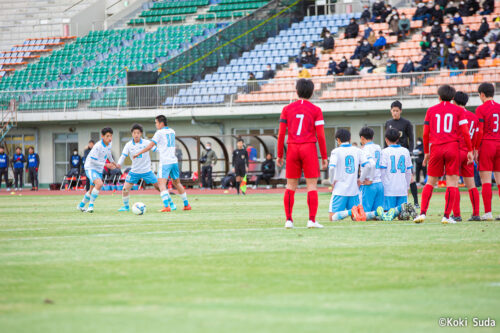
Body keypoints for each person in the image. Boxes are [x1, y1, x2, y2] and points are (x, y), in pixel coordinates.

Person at [414, 85, 474, 224]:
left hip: (436, 148)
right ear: (453, 98)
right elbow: (465, 132)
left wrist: (427, 152)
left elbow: (425, 133)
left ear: (439, 96)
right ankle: (446, 216)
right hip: (453, 147)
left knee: (430, 182)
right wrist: (470, 150)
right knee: (452, 183)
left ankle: (422, 213)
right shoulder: (458, 110)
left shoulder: (431, 110)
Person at [276, 79, 328, 228]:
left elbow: (281, 134)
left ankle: (288, 220)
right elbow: (321, 136)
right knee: (311, 185)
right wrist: (324, 157)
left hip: (292, 148)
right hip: (309, 148)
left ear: (296, 91)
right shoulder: (316, 110)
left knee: (290, 186)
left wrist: (279, 154)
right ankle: (311, 220)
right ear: (312, 93)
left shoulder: (286, 109)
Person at [133, 115, 191, 211]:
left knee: (161, 184)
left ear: (161, 123)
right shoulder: (172, 131)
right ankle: (186, 205)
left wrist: (138, 153)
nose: (156, 125)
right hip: (174, 160)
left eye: (156, 123)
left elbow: (150, 146)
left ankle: (166, 206)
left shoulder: (159, 133)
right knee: (177, 183)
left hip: (165, 162)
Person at [328, 129, 374, 222]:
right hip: (354, 190)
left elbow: (332, 168)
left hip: (339, 190)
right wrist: (360, 180)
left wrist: (331, 182)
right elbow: (368, 165)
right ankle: (375, 213)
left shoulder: (336, 151)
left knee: (332, 218)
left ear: (338, 140)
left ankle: (349, 212)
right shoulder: (357, 150)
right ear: (349, 138)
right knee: (357, 218)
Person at [116, 124, 163, 212]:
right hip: (134, 171)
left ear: (141, 134)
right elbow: (123, 155)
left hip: (147, 171)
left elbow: (156, 149)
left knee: (159, 187)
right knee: (125, 189)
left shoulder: (147, 142)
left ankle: (169, 203)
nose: (136, 135)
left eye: (138, 133)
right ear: (132, 134)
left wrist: (165, 151)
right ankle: (126, 207)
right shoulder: (128, 145)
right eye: (134, 133)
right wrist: (119, 164)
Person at [450, 92, 481, 221]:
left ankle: (457, 215)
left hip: (456, 151)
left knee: (454, 184)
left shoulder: (454, 114)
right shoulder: (474, 117)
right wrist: (473, 150)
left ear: (454, 101)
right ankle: (476, 214)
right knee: (471, 185)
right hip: (469, 153)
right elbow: (478, 135)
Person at [385, 100, 420, 207]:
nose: (395, 113)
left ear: (400, 111)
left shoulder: (406, 123)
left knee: (411, 178)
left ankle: (416, 202)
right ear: (391, 111)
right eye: (393, 111)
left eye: (397, 111)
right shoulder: (388, 123)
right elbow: (386, 139)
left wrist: (409, 151)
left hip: (403, 153)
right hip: (391, 154)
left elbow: (411, 138)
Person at [475, 83, 500, 220]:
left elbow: (480, 131)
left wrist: (476, 149)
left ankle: (488, 212)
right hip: (499, 143)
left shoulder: (480, 109)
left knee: (486, 181)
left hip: (487, 144)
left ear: (482, 94)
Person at [378, 128, 416, 221]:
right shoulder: (405, 151)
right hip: (402, 188)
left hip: (389, 189)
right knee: (402, 217)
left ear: (386, 139)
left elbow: (382, 172)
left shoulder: (384, 152)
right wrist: (407, 187)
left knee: (387, 215)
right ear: (398, 139)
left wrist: (382, 186)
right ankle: (408, 212)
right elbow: (408, 172)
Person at [77, 128, 118, 213]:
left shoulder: (109, 144)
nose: (110, 138)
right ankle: (90, 206)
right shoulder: (98, 146)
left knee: (91, 190)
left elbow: (108, 153)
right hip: (90, 167)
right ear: (102, 136)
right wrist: (106, 165)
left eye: (111, 136)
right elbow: (92, 161)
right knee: (99, 184)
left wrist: (114, 163)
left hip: (99, 169)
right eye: (107, 136)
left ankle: (80, 206)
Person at [358, 127, 384, 216]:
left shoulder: (365, 149)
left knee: (364, 214)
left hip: (369, 184)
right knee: (376, 215)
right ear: (372, 137)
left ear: (362, 138)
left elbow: (371, 165)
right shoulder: (378, 147)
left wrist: (362, 180)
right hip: (379, 183)